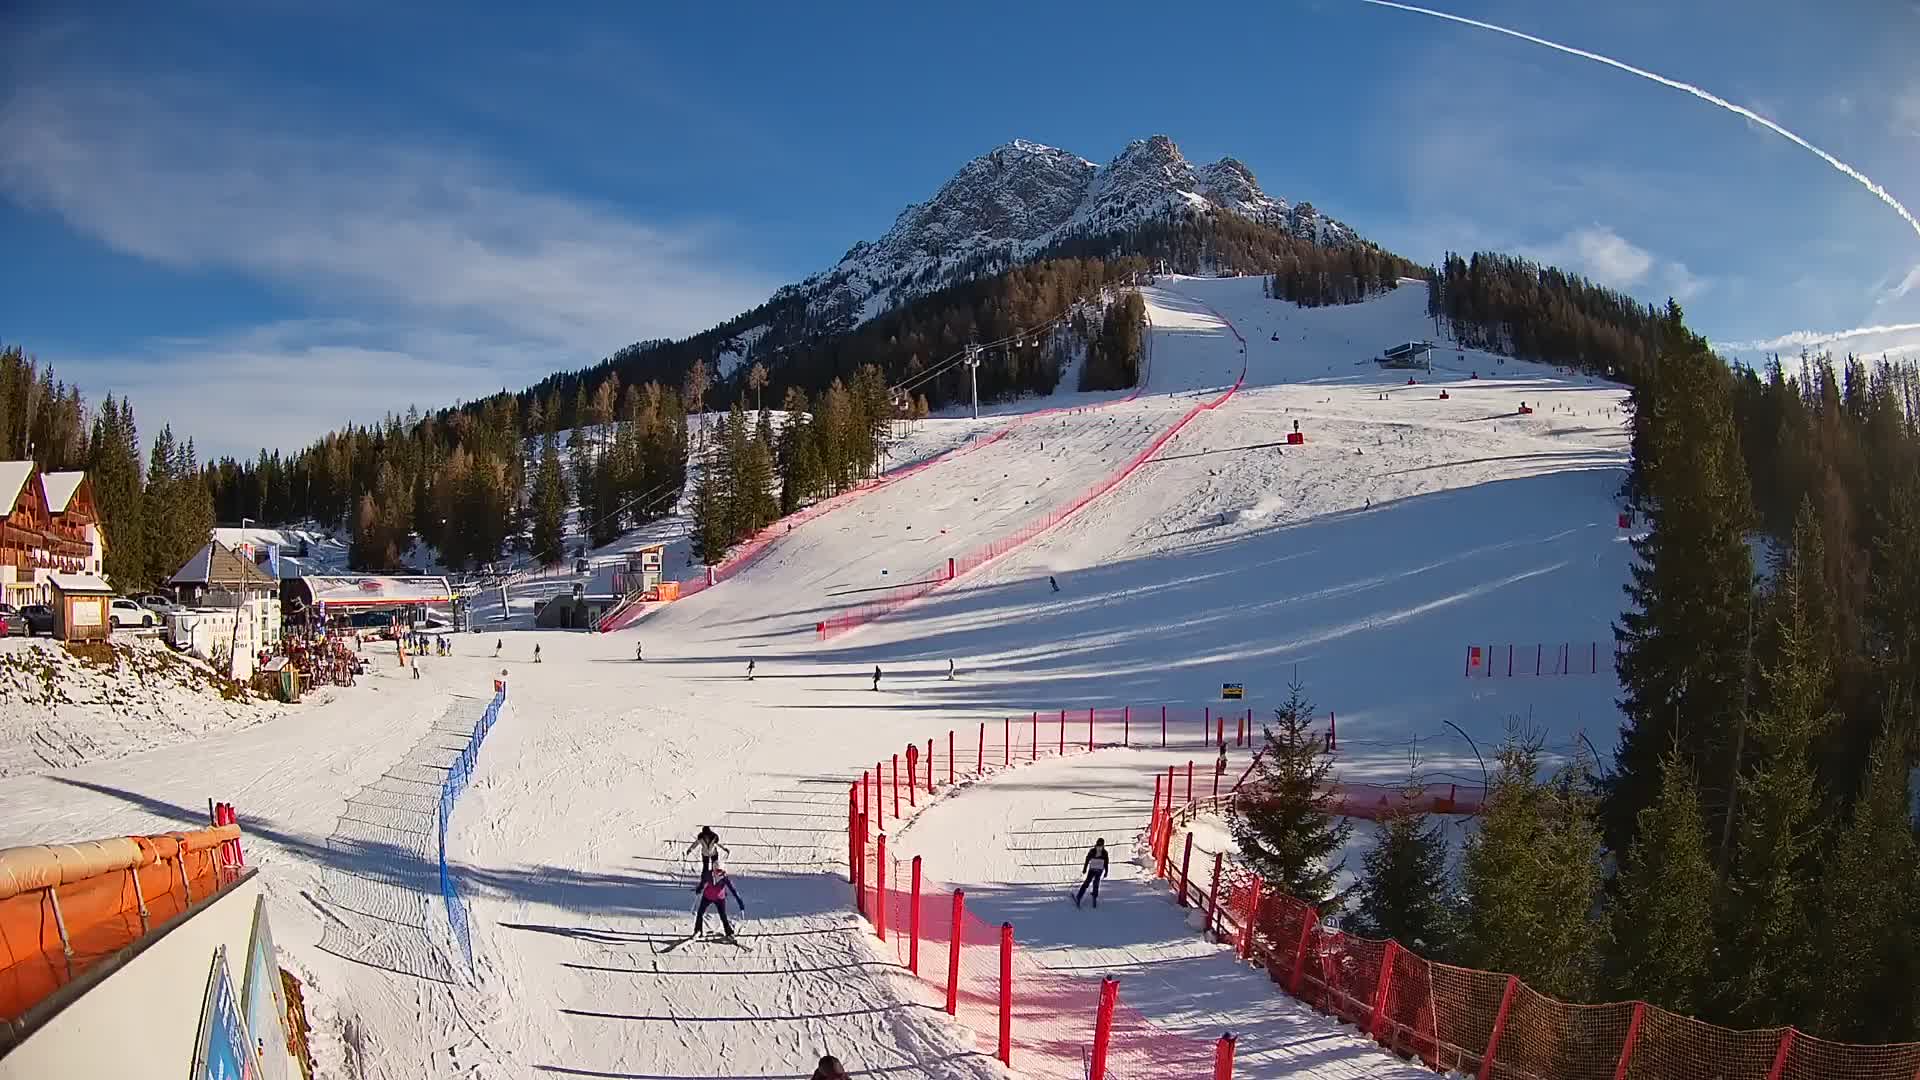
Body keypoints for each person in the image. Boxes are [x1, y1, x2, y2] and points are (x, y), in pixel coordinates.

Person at [692, 867, 744, 939]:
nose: (718, 873)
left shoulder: (724, 878)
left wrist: (740, 902)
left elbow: (733, 890)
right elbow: (703, 883)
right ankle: (698, 931)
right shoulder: (708, 875)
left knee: (723, 915)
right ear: (713, 869)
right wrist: (699, 889)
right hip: (707, 897)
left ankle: (729, 932)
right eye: (717, 870)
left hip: (719, 899)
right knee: (700, 913)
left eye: (720, 871)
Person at [1074, 838, 1109, 908]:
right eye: (1099, 844)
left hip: (1097, 869)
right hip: (1095, 869)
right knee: (1091, 882)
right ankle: (1082, 896)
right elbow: (1088, 859)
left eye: (1100, 844)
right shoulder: (1096, 851)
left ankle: (1087, 896)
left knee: (1093, 883)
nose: (1099, 846)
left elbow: (1106, 863)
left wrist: (1106, 871)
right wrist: (1085, 868)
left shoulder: (1102, 852)